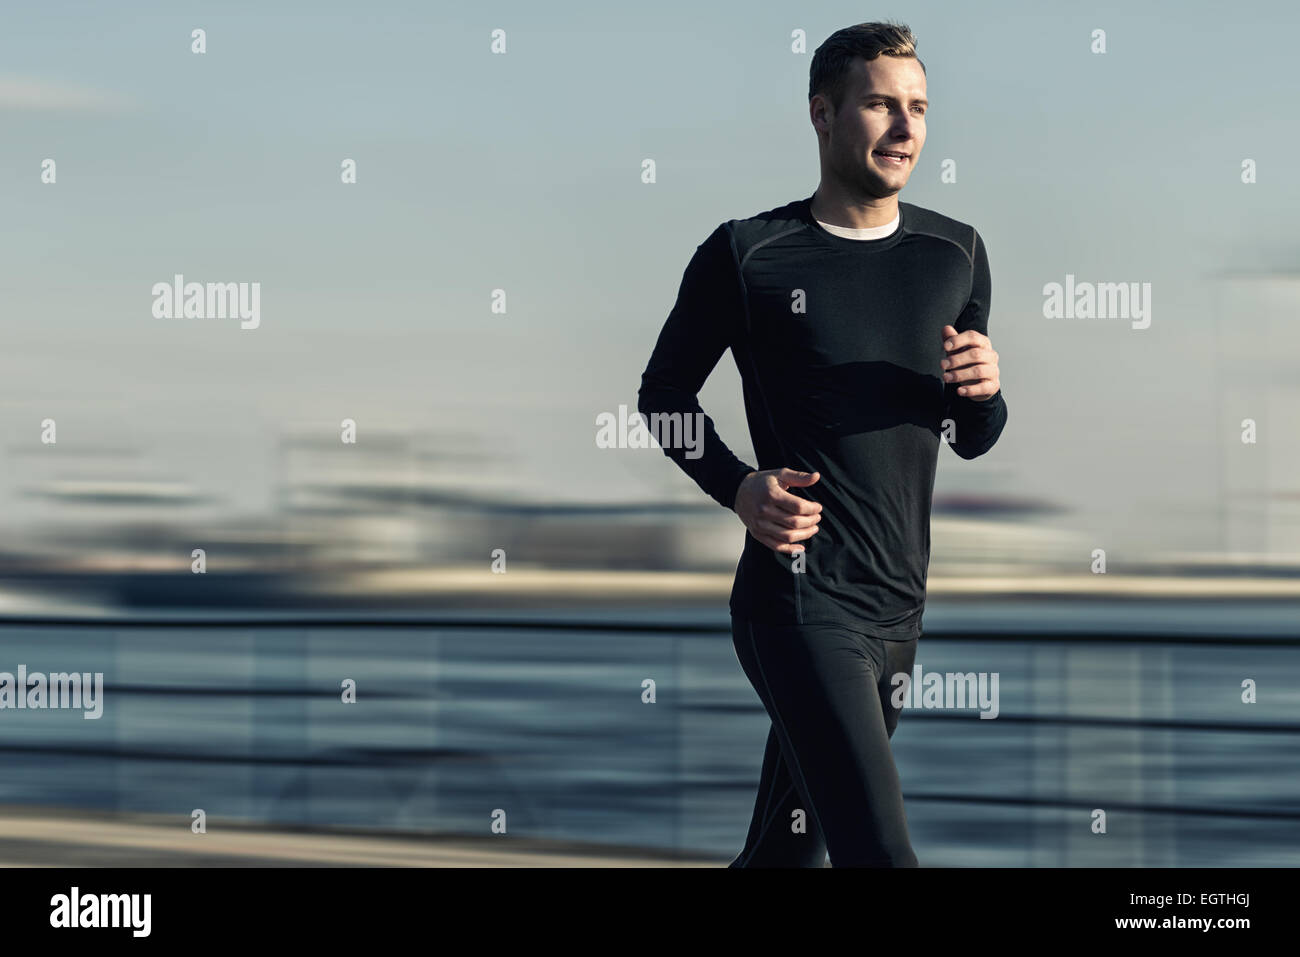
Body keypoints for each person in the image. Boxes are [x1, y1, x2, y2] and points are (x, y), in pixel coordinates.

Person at [636, 21, 1008, 867]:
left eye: (919, 107)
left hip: (900, 607)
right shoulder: (749, 253)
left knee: (781, 858)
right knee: (880, 854)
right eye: (881, 105)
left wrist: (985, 393)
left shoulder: (956, 254)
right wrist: (737, 487)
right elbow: (662, 396)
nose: (907, 127)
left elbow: (973, 437)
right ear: (823, 114)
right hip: (799, 604)